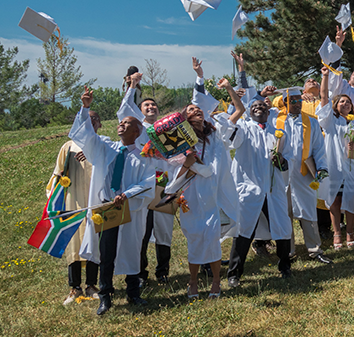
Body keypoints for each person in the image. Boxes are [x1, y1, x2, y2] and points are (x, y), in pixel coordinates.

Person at [70, 87, 156, 315]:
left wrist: (126, 194)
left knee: (132, 248)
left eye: (127, 123)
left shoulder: (144, 157)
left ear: (138, 131)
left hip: (130, 208)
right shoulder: (106, 148)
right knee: (106, 252)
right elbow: (86, 136)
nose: (121, 125)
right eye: (121, 123)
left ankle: (133, 292)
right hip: (108, 208)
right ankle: (105, 296)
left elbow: (148, 182)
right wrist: (85, 107)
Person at [171, 74, 245, 299]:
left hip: (214, 193)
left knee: (212, 239)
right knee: (194, 238)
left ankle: (215, 282)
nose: (197, 111)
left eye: (198, 109)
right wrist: (188, 162)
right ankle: (192, 282)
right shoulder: (180, 141)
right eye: (191, 110)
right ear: (184, 118)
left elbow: (239, 110)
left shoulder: (217, 130)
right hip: (191, 194)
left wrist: (229, 89)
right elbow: (176, 172)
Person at [224, 94, 295, 287]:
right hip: (249, 188)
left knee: (282, 226)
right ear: (249, 111)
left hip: (273, 190)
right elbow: (232, 141)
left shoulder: (279, 134)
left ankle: (285, 267)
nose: (259, 108)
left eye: (263, 106)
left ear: (269, 111)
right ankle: (234, 273)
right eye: (254, 106)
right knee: (244, 230)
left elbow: (288, 160)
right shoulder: (244, 130)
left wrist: (281, 161)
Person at [257, 85, 332, 264]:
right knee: (283, 212)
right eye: (293, 100)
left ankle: (315, 249)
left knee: (308, 211)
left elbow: (318, 148)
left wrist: (321, 167)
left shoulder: (311, 121)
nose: (297, 103)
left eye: (299, 100)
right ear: (285, 102)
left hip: (303, 172)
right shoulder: (274, 119)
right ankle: (287, 251)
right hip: (279, 173)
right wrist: (264, 95)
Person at [117, 71, 174, 285]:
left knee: (164, 228)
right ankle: (140, 273)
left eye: (154, 106)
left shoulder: (167, 129)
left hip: (162, 182)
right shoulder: (138, 130)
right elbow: (123, 110)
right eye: (146, 106)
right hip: (142, 181)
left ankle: (163, 271)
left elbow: (177, 155)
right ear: (140, 112)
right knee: (142, 228)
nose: (151, 108)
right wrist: (133, 86)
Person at [50, 110, 101, 305]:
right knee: (74, 242)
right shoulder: (68, 147)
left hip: (95, 200)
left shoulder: (101, 144)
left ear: (99, 124)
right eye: (87, 119)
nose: (90, 122)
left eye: (94, 119)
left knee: (93, 241)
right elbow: (57, 174)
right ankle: (74, 287)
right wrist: (61, 181)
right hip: (73, 201)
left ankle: (91, 285)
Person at [318, 67, 354, 249]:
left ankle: (350, 232)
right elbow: (323, 98)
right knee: (335, 200)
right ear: (336, 105)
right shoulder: (330, 121)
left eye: (349, 102)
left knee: (351, 199)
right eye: (342, 101)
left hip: (351, 166)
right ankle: (337, 233)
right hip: (334, 165)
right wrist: (326, 76)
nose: (346, 104)